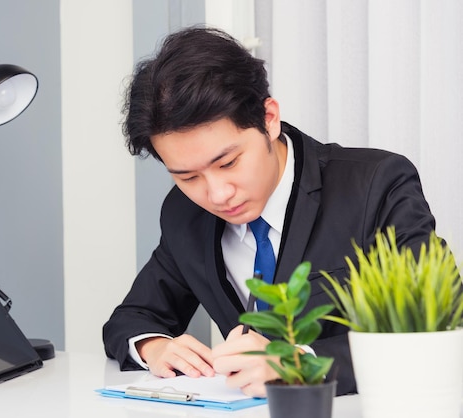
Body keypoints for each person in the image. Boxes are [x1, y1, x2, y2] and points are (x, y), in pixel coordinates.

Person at [102, 26, 437, 397]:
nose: (217, 194)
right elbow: (131, 319)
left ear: (269, 119)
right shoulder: (185, 214)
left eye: (228, 163)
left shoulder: (376, 184)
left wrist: (299, 365)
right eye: (188, 176)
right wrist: (154, 346)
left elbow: (430, 333)